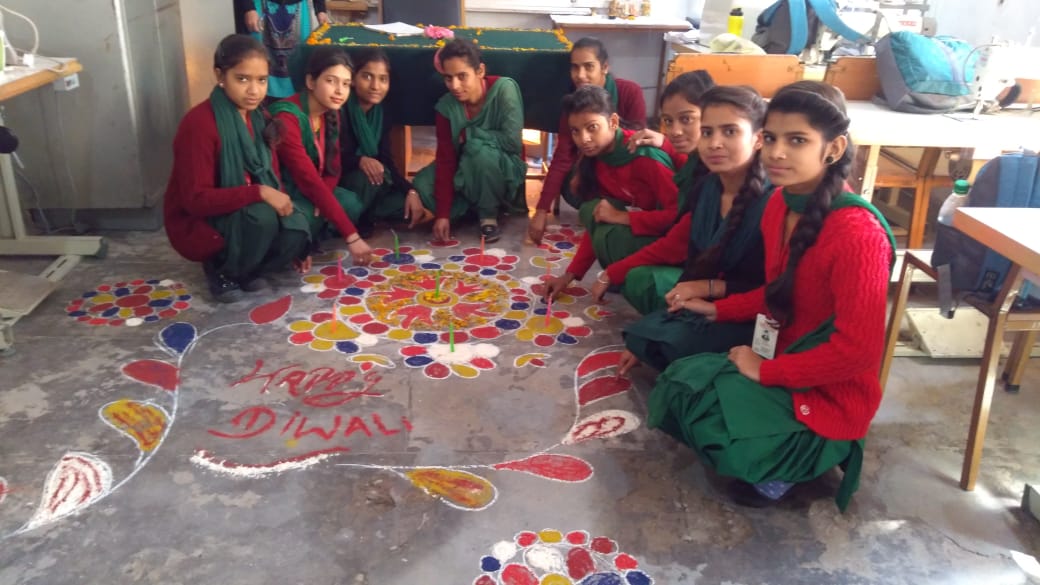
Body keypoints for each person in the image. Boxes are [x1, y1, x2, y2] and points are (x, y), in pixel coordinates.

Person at [646, 81, 896, 511]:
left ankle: (813, 455)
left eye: (797, 141)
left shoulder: (859, 234)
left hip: (826, 390)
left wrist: (768, 372)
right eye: (773, 139)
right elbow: (778, 294)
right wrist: (718, 308)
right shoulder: (778, 205)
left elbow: (856, 353)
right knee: (680, 385)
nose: (778, 153)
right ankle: (776, 444)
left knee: (718, 426)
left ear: (833, 149)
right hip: (781, 356)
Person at [602, 85, 770, 374]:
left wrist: (704, 289)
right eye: (707, 132)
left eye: (730, 132)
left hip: (755, 315)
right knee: (642, 334)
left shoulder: (774, 202)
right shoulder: (707, 188)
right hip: (710, 301)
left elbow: (775, 293)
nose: (714, 143)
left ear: (758, 139)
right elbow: (692, 261)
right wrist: (687, 295)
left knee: (669, 349)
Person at [163, 34, 311, 303]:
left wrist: (296, 239)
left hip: (243, 209)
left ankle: (249, 266)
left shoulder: (259, 117)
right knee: (262, 216)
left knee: (299, 224)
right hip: (203, 219)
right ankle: (222, 269)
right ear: (220, 75)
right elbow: (195, 201)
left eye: (261, 80)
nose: (254, 90)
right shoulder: (199, 124)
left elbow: (272, 176)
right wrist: (259, 193)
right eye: (242, 79)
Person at [542, 85, 678, 300]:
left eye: (592, 127)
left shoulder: (644, 156)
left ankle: (626, 276)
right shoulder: (597, 160)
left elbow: (678, 218)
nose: (583, 139)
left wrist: (622, 217)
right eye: (576, 131)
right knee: (591, 210)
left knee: (609, 229)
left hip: (670, 246)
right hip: (642, 234)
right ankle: (621, 273)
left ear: (613, 122)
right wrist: (569, 276)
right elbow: (595, 225)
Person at [528, 37, 648, 244]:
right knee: (572, 183)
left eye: (588, 67)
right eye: (575, 68)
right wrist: (540, 211)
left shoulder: (629, 92)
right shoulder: (575, 103)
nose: (580, 75)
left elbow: (638, 145)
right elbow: (563, 156)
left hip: (623, 168)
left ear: (605, 67)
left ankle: (616, 212)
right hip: (589, 166)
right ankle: (597, 210)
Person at [412, 39, 528, 243]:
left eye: (462, 76)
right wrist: (442, 215)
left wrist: (472, 135)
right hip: (464, 168)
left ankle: (488, 216)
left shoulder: (504, 90)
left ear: (480, 71)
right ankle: (469, 208)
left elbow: (513, 143)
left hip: (503, 168)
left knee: (478, 151)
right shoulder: (446, 107)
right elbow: (447, 161)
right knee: (422, 183)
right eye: (448, 78)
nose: (455, 86)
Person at [270, 46, 372, 266]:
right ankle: (299, 244)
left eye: (345, 84)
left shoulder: (331, 113)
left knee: (350, 203)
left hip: (312, 190)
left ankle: (312, 235)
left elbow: (333, 169)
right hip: (286, 193)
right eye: (331, 81)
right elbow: (306, 178)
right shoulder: (287, 118)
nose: (339, 91)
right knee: (308, 215)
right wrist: (352, 237)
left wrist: (323, 194)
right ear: (310, 82)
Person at [339, 48, 430, 232]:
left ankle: (365, 212)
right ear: (353, 79)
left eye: (383, 79)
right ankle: (353, 218)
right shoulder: (340, 109)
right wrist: (360, 161)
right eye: (367, 76)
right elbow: (331, 159)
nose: (375, 86)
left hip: (376, 181)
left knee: (410, 205)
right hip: (345, 182)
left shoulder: (381, 112)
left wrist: (410, 191)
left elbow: (386, 160)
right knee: (367, 178)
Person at [233, 0, 330, 99]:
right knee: (256, 59)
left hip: (298, 9)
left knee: (300, 59)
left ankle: (293, 106)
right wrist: (249, 8)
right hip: (262, 7)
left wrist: (321, 9)